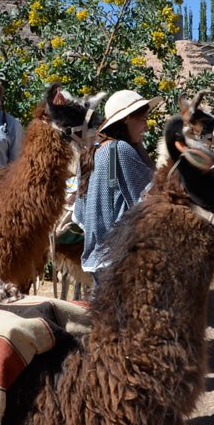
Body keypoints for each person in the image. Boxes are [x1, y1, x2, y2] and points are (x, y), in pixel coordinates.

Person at [74, 89, 160, 282]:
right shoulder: (120, 150)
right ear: (128, 118)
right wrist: (140, 148)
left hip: (99, 257)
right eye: (144, 119)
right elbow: (155, 190)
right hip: (120, 258)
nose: (146, 127)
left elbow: (83, 214)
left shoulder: (93, 151)